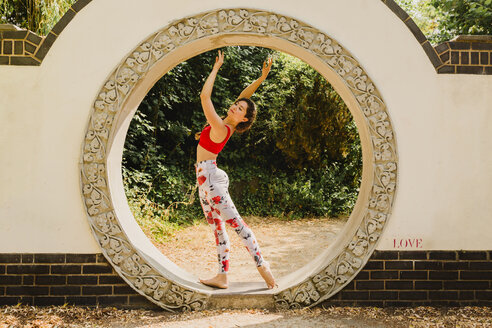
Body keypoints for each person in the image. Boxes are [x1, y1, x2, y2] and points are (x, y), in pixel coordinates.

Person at [195, 49, 276, 289]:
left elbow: (204, 98)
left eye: (240, 110)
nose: (235, 107)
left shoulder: (221, 128)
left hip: (211, 179)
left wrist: (215, 68)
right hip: (204, 178)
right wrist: (261, 79)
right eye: (235, 105)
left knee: (238, 226)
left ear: (244, 119)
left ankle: (264, 268)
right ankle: (223, 276)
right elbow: (245, 96)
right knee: (218, 230)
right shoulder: (227, 122)